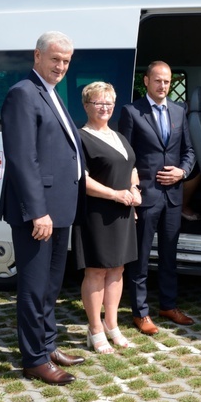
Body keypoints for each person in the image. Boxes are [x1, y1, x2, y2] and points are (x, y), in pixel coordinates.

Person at [0, 31, 85, 385]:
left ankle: (47, 344)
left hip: (59, 207)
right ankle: (34, 359)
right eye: (55, 59)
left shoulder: (51, 94)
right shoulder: (23, 93)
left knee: (50, 285)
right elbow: (22, 158)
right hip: (39, 212)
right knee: (33, 288)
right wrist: (37, 211)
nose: (61, 66)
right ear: (37, 56)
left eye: (66, 61)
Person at [118, 61, 196, 335]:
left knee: (169, 256)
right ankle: (140, 313)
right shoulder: (131, 111)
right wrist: (133, 187)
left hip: (173, 197)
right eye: (158, 80)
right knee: (139, 259)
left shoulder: (178, 110)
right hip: (145, 197)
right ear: (146, 81)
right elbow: (125, 156)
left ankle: (168, 305)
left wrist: (182, 172)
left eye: (167, 81)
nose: (163, 86)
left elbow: (189, 151)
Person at [73, 82, 140, 353]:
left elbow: (131, 167)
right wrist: (116, 194)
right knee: (96, 271)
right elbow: (82, 181)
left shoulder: (119, 136)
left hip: (123, 211)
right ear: (86, 106)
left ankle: (112, 325)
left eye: (109, 103)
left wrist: (135, 190)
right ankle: (94, 328)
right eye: (98, 102)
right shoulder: (80, 137)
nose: (104, 107)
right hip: (97, 213)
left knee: (118, 269)